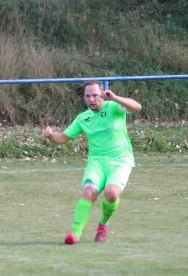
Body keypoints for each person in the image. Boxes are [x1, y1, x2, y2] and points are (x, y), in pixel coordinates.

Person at [43, 81, 141, 244]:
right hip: (97, 162)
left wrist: (116, 98)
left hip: (120, 161)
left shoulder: (114, 107)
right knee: (89, 191)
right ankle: (74, 235)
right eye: (87, 96)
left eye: (94, 95)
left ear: (102, 94)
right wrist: (51, 136)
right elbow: (64, 138)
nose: (91, 99)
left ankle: (103, 224)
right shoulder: (83, 118)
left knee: (112, 194)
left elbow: (136, 107)